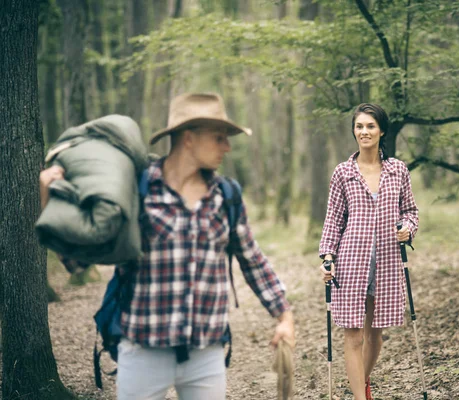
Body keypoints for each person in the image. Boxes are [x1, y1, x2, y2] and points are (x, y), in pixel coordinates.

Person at [39, 93, 295, 400]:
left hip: (207, 352)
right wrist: (47, 200)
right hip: (143, 350)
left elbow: (252, 259)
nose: (227, 147)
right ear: (188, 138)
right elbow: (79, 262)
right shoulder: (138, 188)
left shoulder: (226, 195)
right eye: (219, 138)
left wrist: (284, 315)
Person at [318, 103, 419, 400]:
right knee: (353, 334)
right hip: (351, 262)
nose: (364, 131)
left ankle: (360, 384)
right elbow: (333, 220)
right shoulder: (343, 173)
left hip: (387, 262)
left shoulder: (398, 170)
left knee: (376, 334)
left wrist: (407, 228)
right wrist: (327, 257)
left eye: (370, 126)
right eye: (359, 126)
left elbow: (410, 211)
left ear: (382, 130)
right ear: (354, 131)